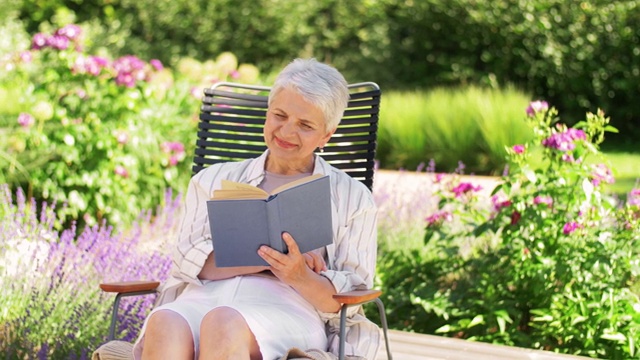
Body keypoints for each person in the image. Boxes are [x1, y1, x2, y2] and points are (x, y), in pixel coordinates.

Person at [133, 58, 380, 360]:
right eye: (279, 115)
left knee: (223, 322)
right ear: (267, 113)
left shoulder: (352, 197)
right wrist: (267, 261)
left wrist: (299, 274)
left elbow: (349, 299)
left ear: (326, 135)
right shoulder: (211, 180)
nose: (287, 132)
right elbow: (189, 260)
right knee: (165, 321)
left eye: (305, 125)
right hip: (203, 297)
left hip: (286, 308)